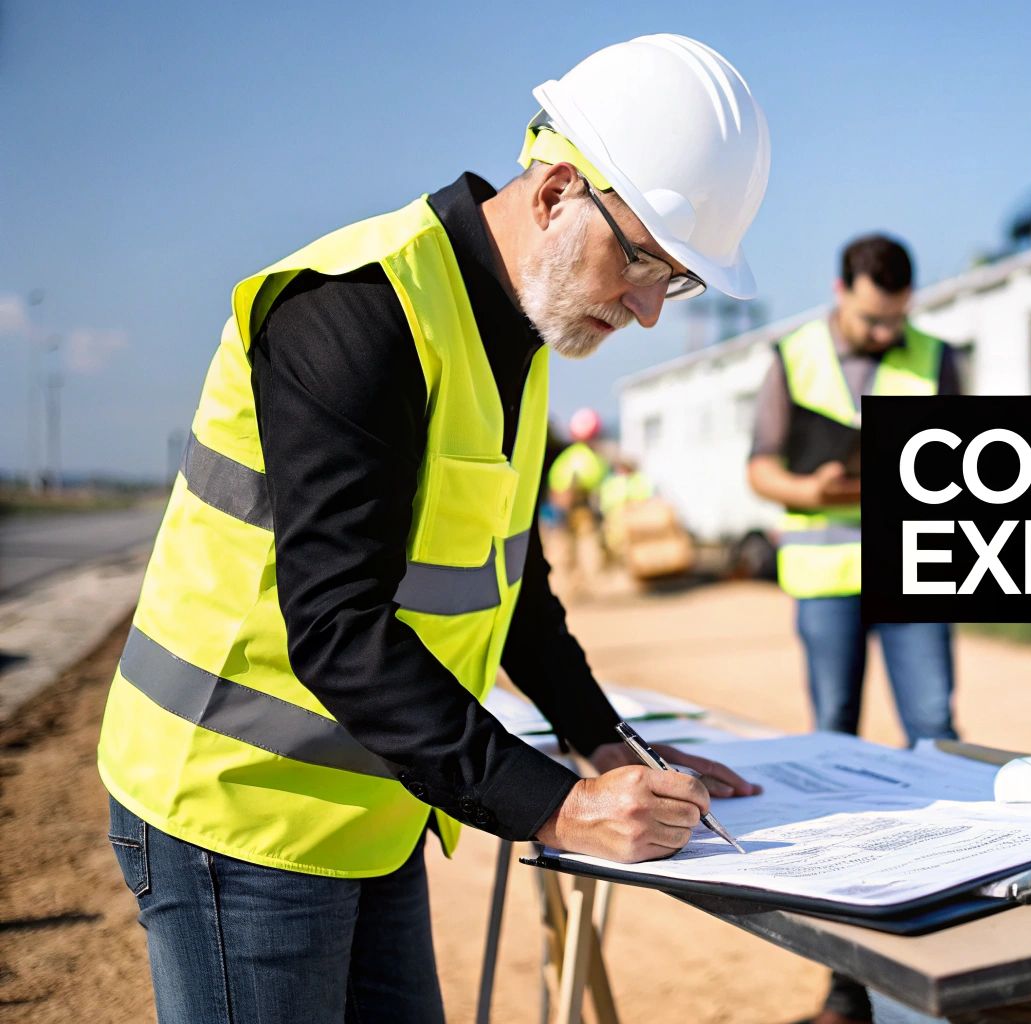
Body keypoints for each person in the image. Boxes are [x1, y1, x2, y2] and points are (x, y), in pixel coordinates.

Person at [96, 35, 770, 1022]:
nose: (646, 311)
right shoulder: (356, 312)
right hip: (231, 811)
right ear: (554, 194)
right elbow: (336, 623)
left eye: (674, 281)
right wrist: (556, 805)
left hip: (377, 803)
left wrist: (607, 744)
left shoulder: (523, 335)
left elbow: (512, 585)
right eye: (641, 262)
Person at [746, 234, 962, 1024]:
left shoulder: (935, 357)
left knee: (937, 736)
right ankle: (846, 979)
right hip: (827, 579)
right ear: (843, 289)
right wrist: (814, 486)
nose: (884, 334)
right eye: (873, 320)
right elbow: (760, 465)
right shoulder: (793, 355)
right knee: (833, 747)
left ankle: (953, 947)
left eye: (896, 319)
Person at [547, 407, 610, 595]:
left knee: (569, 549)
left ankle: (573, 585)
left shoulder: (570, 457)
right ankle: (582, 584)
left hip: (566, 509)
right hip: (575, 508)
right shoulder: (591, 459)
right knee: (583, 546)